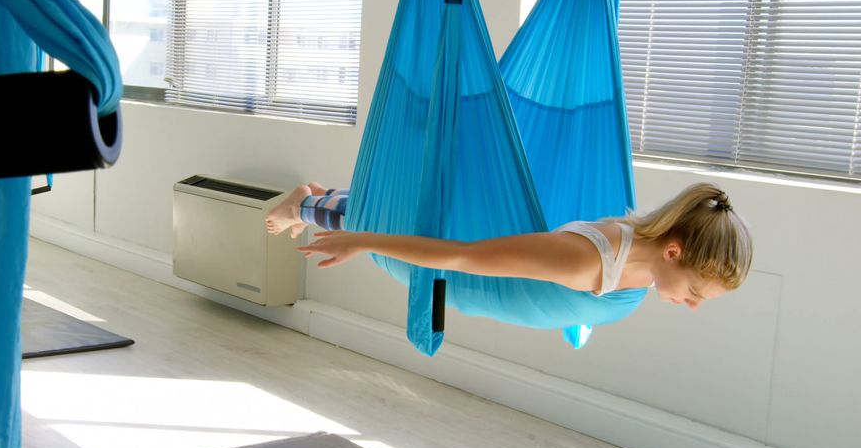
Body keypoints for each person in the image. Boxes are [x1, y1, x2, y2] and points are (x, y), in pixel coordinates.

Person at [265, 181, 753, 309]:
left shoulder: (648, 246)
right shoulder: (585, 261)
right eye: (693, 293)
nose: (689, 305)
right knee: (365, 217)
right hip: (456, 227)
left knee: (370, 203)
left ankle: (316, 197)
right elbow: (462, 256)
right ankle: (300, 205)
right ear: (674, 252)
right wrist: (364, 244)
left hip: (476, 209)